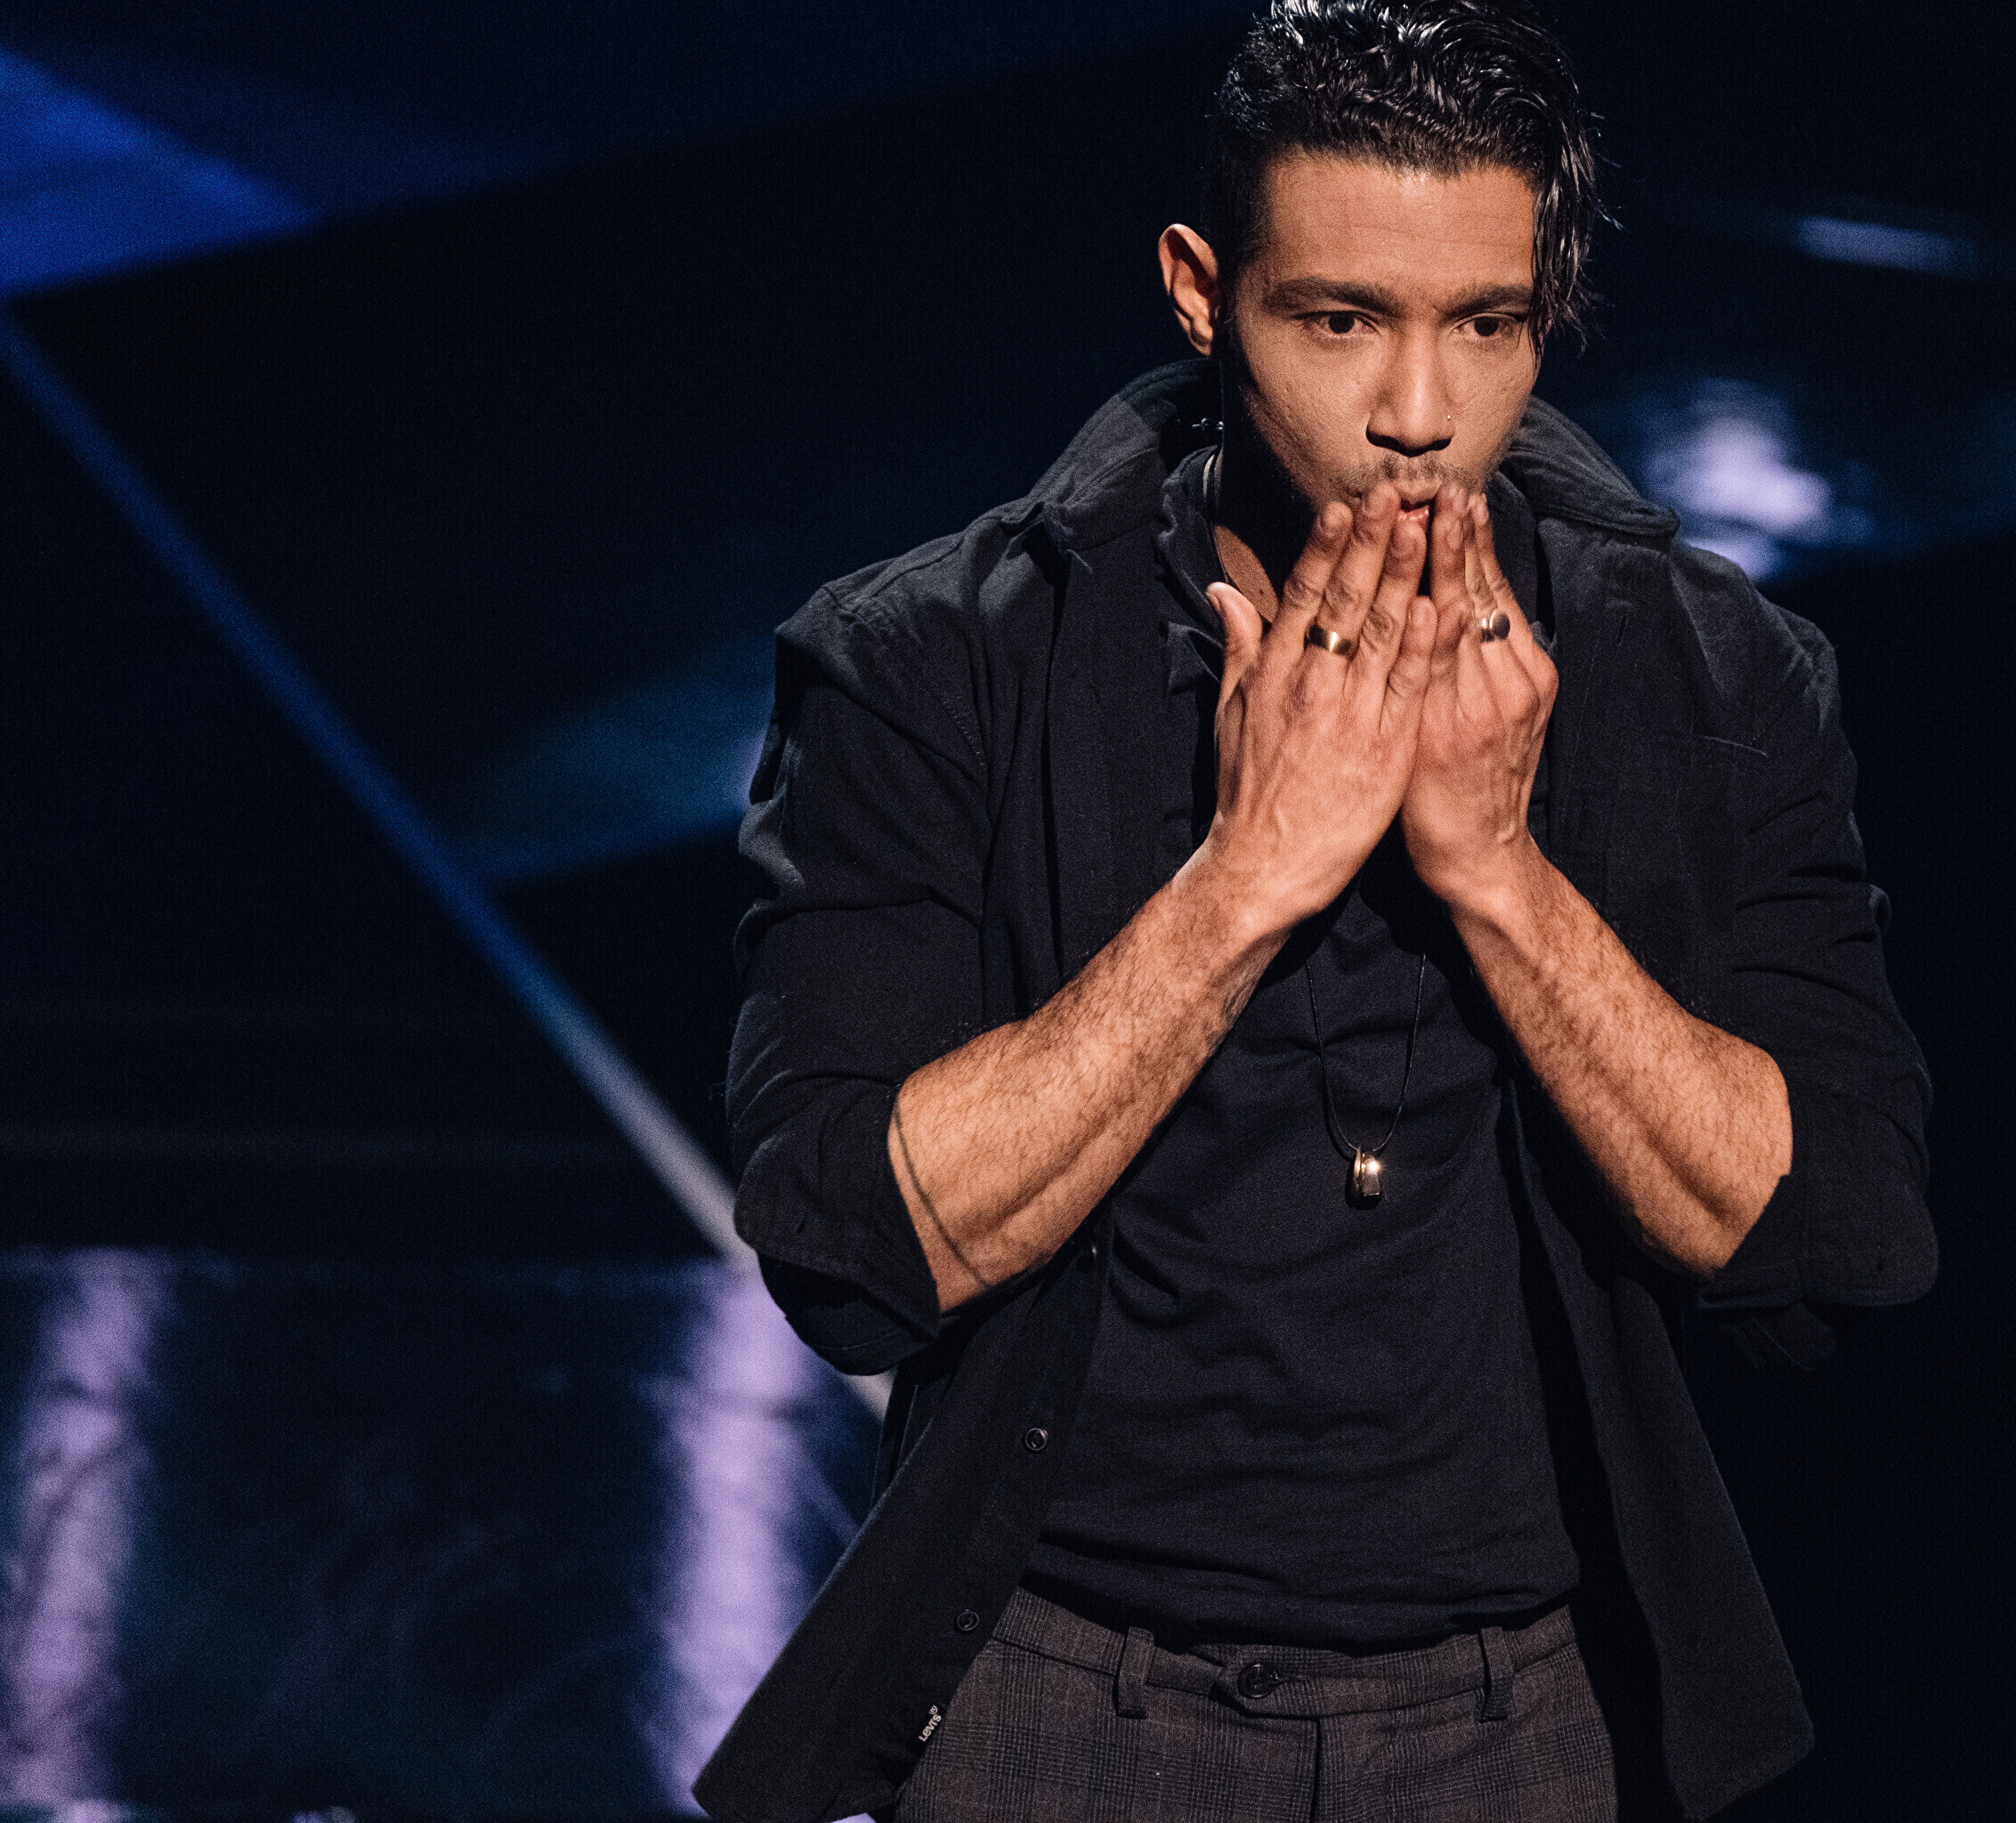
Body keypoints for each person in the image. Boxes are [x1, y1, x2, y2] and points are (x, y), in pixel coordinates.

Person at [694, 3, 1933, 1818]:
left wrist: (1498, 879)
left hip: (1521, 1715)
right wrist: (1248, 878)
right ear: (1203, 294)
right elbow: (851, 1252)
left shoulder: (1712, 674)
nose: (1419, 417)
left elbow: (1833, 1240)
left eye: (1486, 325)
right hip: (1055, 1694)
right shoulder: (931, 666)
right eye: (1341, 320)